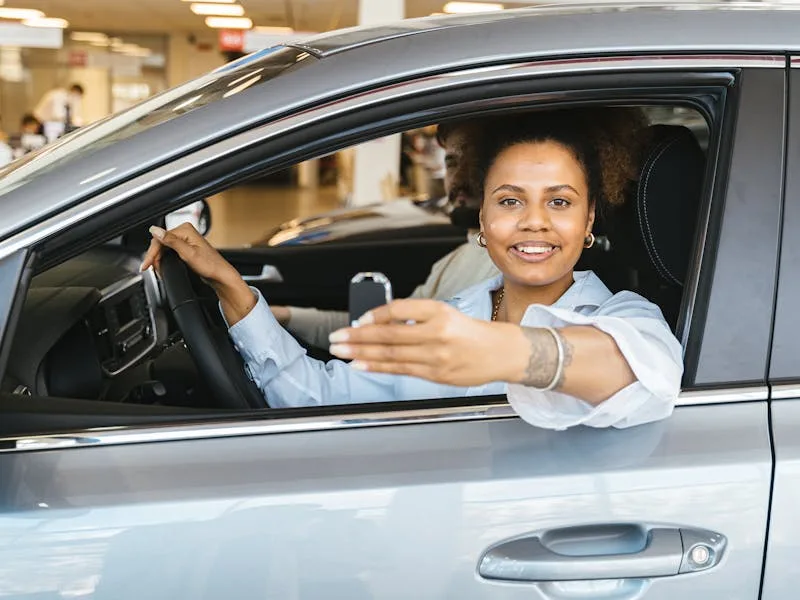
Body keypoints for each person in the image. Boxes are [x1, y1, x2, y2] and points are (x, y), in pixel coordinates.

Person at [141, 107, 683, 430]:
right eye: (511, 201)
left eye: (560, 203)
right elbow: (317, 396)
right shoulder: (451, 314)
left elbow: (646, 373)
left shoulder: (622, 315)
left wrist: (504, 350)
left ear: (589, 216)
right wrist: (231, 289)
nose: (534, 223)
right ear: (483, 215)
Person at [271, 120, 500, 350]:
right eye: (452, 162)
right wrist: (286, 317)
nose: (459, 177)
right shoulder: (453, 261)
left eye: (475, 162)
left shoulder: (504, 269)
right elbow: (385, 330)